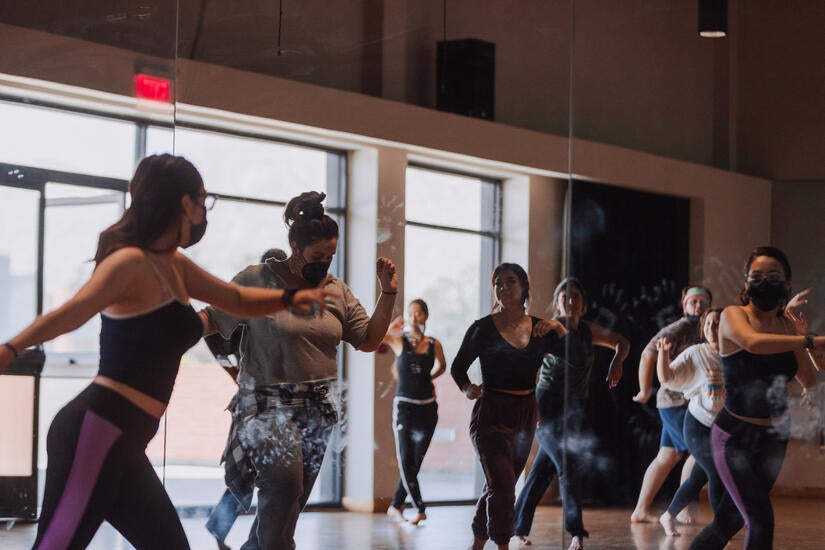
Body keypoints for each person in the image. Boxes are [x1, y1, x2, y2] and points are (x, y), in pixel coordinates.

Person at [0, 155, 330, 549]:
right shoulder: (129, 263)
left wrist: (291, 297)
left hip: (125, 442)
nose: (205, 211)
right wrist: (10, 348)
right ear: (185, 203)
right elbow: (72, 312)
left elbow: (237, 299)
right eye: (203, 200)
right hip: (95, 432)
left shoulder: (174, 264)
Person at [202, 191, 398, 550]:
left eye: (330, 257)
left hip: (317, 409)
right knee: (284, 485)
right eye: (316, 256)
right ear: (294, 246)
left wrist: (387, 293)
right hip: (266, 404)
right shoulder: (258, 279)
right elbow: (213, 320)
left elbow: (369, 340)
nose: (323, 264)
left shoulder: (336, 291)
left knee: (289, 506)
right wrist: (167, 330)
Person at [690, 246, 823, 550]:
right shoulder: (733, 317)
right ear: (746, 283)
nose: (765, 282)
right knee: (761, 520)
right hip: (734, 437)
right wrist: (812, 340)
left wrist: (811, 388)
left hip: (774, 437)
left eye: (774, 276)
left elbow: (805, 373)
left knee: (729, 521)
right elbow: (752, 343)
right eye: (757, 276)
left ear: (787, 283)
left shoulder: (788, 327)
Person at [451, 263, 566, 550]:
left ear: (524, 287)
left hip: (525, 415)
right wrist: (467, 388)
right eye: (498, 282)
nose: (503, 287)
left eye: (510, 281)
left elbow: (575, 355)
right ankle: (503, 544)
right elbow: (457, 368)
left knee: (500, 487)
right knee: (502, 487)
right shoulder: (482, 329)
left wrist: (559, 327)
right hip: (491, 414)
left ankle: (477, 543)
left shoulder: (541, 329)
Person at [513, 277, 629, 550]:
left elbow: (622, 341)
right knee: (567, 464)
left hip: (574, 409)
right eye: (564, 297)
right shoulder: (548, 329)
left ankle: (517, 527)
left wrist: (616, 361)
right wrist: (530, 404)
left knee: (542, 471)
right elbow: (527, 364)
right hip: (546, 405)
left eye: (575, 297)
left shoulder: (587, 331)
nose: (570, 301)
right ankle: (576, 532)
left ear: (583, 304)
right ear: (557, 303)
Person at [205, 247, 288, 550]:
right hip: (253, 402)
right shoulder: (251, 305)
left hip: (278, 404)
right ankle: (227, 531)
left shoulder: (283, 310)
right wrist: (234, 370)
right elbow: (213, 332)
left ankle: (246, 539)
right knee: (249, 473)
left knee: (264, 476)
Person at [630, 285, 713, 524]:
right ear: (684, 305)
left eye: (703, 302)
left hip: (689, 403)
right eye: (693, 301)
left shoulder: (705, 329)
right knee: (696, 453)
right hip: (674, 402)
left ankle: (640, 510)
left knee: (667, 457)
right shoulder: (678, 328)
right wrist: (645, 390)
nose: (698, 306)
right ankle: (684, 509)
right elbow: (648, 354)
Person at [656, 308, 725, 537]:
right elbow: (666, 377)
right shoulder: (696, 352)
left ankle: (668, 515)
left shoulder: (732, 354)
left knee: (698, 477)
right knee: (715, 472)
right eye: (708, 324)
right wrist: (663, 355)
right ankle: (722, 526)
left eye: (717, 324)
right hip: (697, 425)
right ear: (702, 329)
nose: (712, 329)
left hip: (720, 428)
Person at [382, 299, 447, 525]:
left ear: (426, 317)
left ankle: (395, 505)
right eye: (411, 313)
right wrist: (392, 326)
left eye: (418, 313)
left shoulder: (433, 344)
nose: (414, 317)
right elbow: (377, 338)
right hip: (405, 408)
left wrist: (429, 378)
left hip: (428, 409)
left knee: (415, 463)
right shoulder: (399, 341)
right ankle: (420, 507)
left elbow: (443, 366)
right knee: (405, 459)